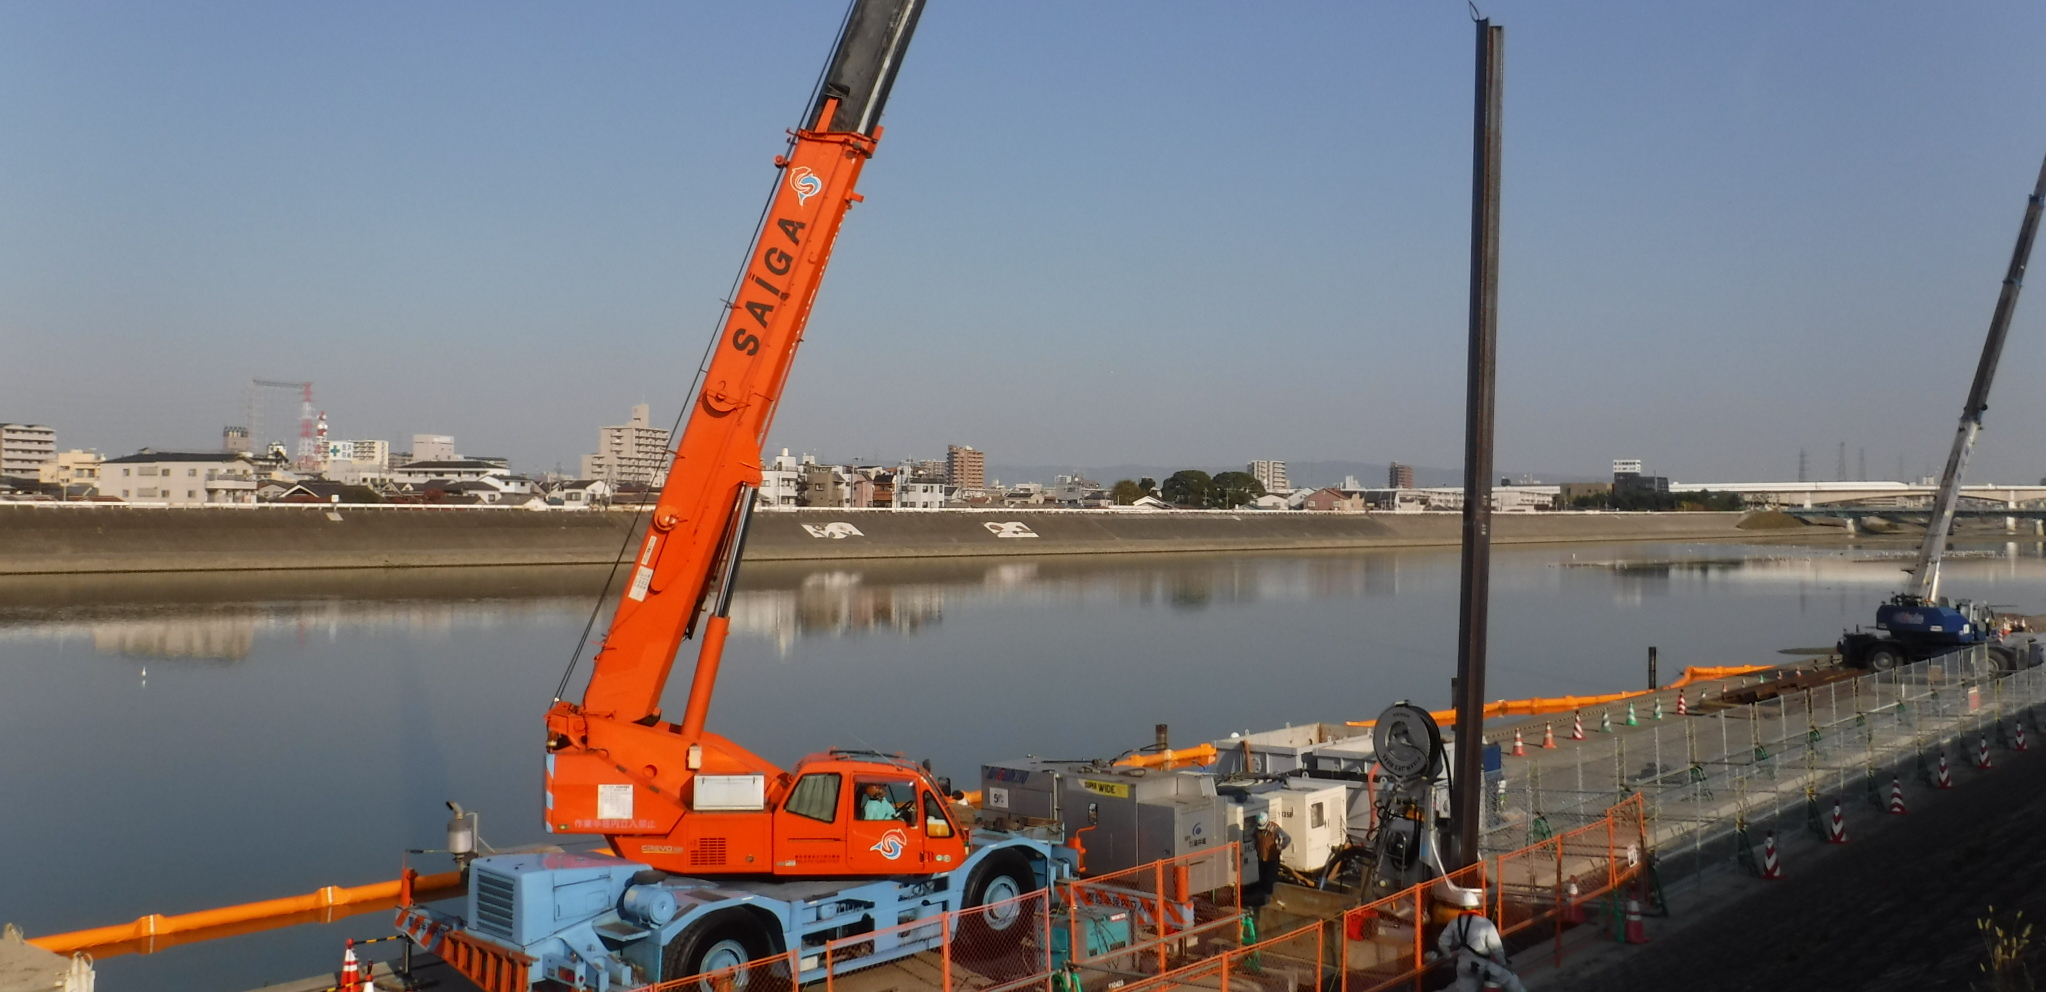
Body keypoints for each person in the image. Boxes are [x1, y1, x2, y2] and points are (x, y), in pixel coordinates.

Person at [1435, 887, 1526, 992]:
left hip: (1463, 965)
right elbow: (1496, 947)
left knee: (1465, 988)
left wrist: (1449, 955)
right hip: (1483, 965)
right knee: (1510, 979)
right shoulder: (1485, 923)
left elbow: (1442, 942)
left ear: (1462, 908)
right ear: (1476, 907)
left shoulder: (1454, 923)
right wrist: (1503, 963)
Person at [1244, 812, 1288, 912]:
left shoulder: (1275, 829)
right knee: (1263, 880)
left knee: (1271, 881)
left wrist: (1280, 847)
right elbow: (1252, 836)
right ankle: (1264, 901)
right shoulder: (1256, 829)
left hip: (1272, 859)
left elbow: (1287, 838)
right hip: (1262, 858)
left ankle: (1271, 901)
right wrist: (1257, 847)